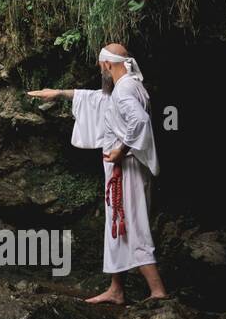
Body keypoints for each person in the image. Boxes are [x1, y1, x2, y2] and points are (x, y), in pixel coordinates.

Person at [27, 43, 168, 303]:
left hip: (126, 169)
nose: (99, 70)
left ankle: (158, 291)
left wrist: (121, 150)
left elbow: (140, 121)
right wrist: (58, 93)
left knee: (133, 223)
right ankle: (116, 289)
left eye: (99, 65)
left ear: (106, 64)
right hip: (123, 169)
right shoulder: (129, 86)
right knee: (117, 222)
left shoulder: (124, 90)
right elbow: (97, 99)